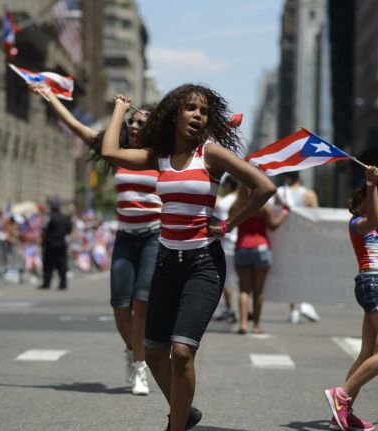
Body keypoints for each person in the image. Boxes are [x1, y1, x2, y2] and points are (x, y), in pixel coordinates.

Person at [101, 85, 276, 431]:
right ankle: (185, 413)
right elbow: (110, 152)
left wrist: (227, 223)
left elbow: (264, 187)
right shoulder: (159, 156)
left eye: (205, 111)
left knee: (181, 353)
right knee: (152, 352)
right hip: (166, 263)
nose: (198, 115)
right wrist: (120, 109)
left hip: (203, 264)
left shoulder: (210, 154)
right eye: (191, 108)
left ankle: (176, 425)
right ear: (174, 114)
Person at [32, 84, 156, 395]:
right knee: (119, 305)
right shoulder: (117, 154)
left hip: (155, 236)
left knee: (141, 303)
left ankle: (140, 366)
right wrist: (53, 100)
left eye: (142, 123)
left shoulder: (161, 157)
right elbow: (77, 128)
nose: (135, 126)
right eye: (131, 122)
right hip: (126, 238)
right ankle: (134, 351)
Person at [324, 166, 378, 431]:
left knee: (370, 352)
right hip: (373, 283)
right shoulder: (359, 223)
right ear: (371, 198)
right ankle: (341, 395)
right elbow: (370, 222)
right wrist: (371, 185)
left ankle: (341, 414)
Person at [232, 185, 289, 334]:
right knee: (258, 291)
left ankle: (243, 323)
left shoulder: (236, 206)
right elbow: (273, 226)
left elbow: (230, 225)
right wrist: (284, 212)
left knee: (244, 290)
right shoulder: (263, 207)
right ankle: (256, 325)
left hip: (242, 247)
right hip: (261, 249)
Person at [277, 172, 321, 323]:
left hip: (286, 237)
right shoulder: (308, 194)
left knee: (291, 273)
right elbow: (316, 217)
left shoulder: (280, 193)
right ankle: (305, 303)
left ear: (286, 177)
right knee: (305, 271)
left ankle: (293, 309)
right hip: (304, 236)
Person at [213, 176, 239, 323]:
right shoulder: (241, 199)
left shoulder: (225, 202)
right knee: (234, 279)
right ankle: (232, 309)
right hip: (238, 243)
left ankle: (231, 310)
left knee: (225, 279)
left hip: (227, 243)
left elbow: (221, 224)